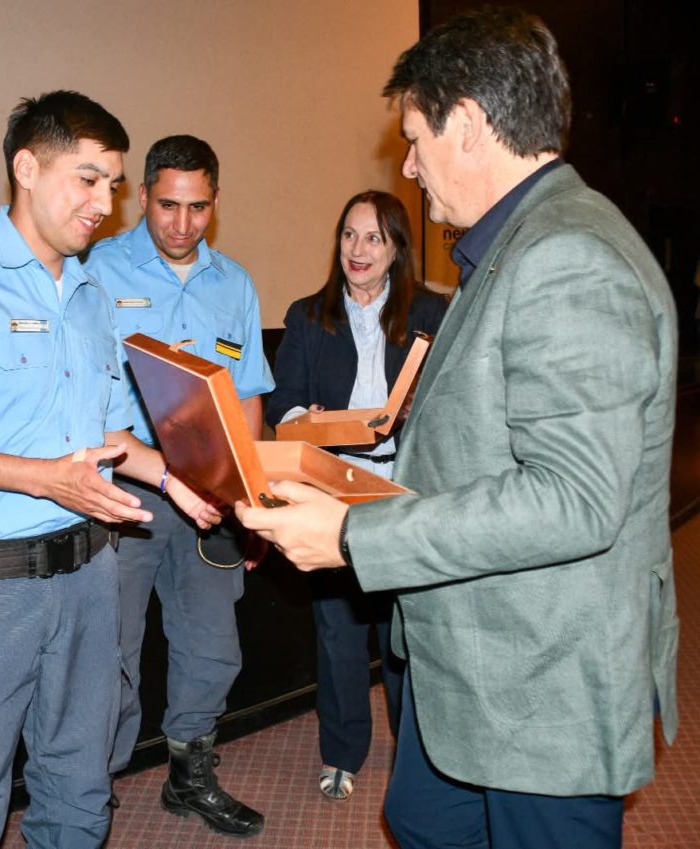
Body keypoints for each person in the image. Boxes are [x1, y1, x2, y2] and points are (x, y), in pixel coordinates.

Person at [236, 8, 679, 848]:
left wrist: (355, 534)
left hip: (540, 684)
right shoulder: (515, 245)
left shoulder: (566, 258)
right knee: (417, 818)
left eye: (414, 138)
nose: (407, 164)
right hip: (477, 662)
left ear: (468, 124)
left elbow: (573, 498)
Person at [0, 92, 220, 849]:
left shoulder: (92, 295)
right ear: (26, 168)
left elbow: (106, 432)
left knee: (78, 791)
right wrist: (45, 479)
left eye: (115, 184)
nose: (106, 203)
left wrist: (172, 480)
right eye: (88, 179)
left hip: (90, 576)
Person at [85, 134, 272, 838]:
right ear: (143, 197)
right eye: (168, 205)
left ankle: (190, 775)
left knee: (211, 646)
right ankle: (89, 786)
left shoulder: (236, 284)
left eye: (197, 207)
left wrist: (250, 500)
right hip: (129, 494)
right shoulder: (101, 270)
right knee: (112, 655)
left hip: (213, 498)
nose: (182, 223)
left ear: (215, 204)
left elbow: (248, 395)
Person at [266, 190, 446, 800]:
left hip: (401, 491)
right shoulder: (308, 314)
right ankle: (342, 751)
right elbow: (280, 400)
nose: (358, 250)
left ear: (396, 248)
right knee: (338, 629)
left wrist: (421, 411)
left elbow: (453, 402)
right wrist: (305, 418)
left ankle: (415, 756)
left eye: (373, 237)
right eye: (349, 235)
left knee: (403, 629)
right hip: (333, 491)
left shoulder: (431, 312)